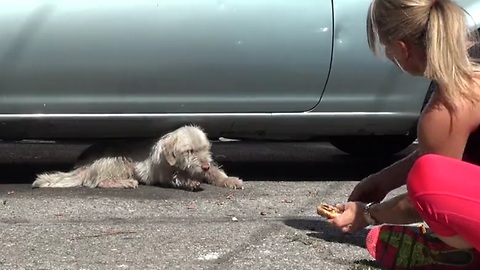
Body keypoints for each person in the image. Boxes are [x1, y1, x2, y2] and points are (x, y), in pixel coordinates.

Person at [327, 0, 480, 269]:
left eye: (387, 48)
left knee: (426, 179)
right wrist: (384, 179)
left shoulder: (448, 105)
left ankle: (455, 250)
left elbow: (421, 199)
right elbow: (443, 151)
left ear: (402, 48)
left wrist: (367, 214)